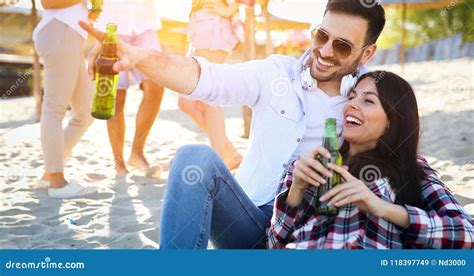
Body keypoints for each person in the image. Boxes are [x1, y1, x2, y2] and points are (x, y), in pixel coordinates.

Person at [80, 0, 385, 248]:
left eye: (343, 46)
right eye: (321, 36)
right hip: (251, 224)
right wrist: (140, 58)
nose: (326, 51)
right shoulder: (276, 73)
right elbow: (205, 78)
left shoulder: (372, 103)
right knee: (193, 157)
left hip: (318, 237)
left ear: (367, 53)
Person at [267, 71, 474, 249]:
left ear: (392, 122)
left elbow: (467, 234)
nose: (351, 105)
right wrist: (296, 191)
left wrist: (381, 207)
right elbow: (272, 245)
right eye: (352, 97)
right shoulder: (312, 164)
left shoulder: (412, 170)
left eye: (368, 100)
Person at [89, 0, 165, 177]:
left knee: (156, 85)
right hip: (112, 27)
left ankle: (136, 153)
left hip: (145, 25)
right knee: (116, 97)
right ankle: (119, 164)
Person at [34, 0, 99, 198]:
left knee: (86, 112)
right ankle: (57, 182)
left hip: (71, 36)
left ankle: (49, 172)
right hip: (59, 32)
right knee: (54, 109)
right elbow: (48, 2)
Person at [178, 0, 243, 170]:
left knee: (209, 98)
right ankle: (228, 153)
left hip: (215, 27)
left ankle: (221, 157)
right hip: (198, 25)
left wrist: (231, 8)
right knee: (186, 103)